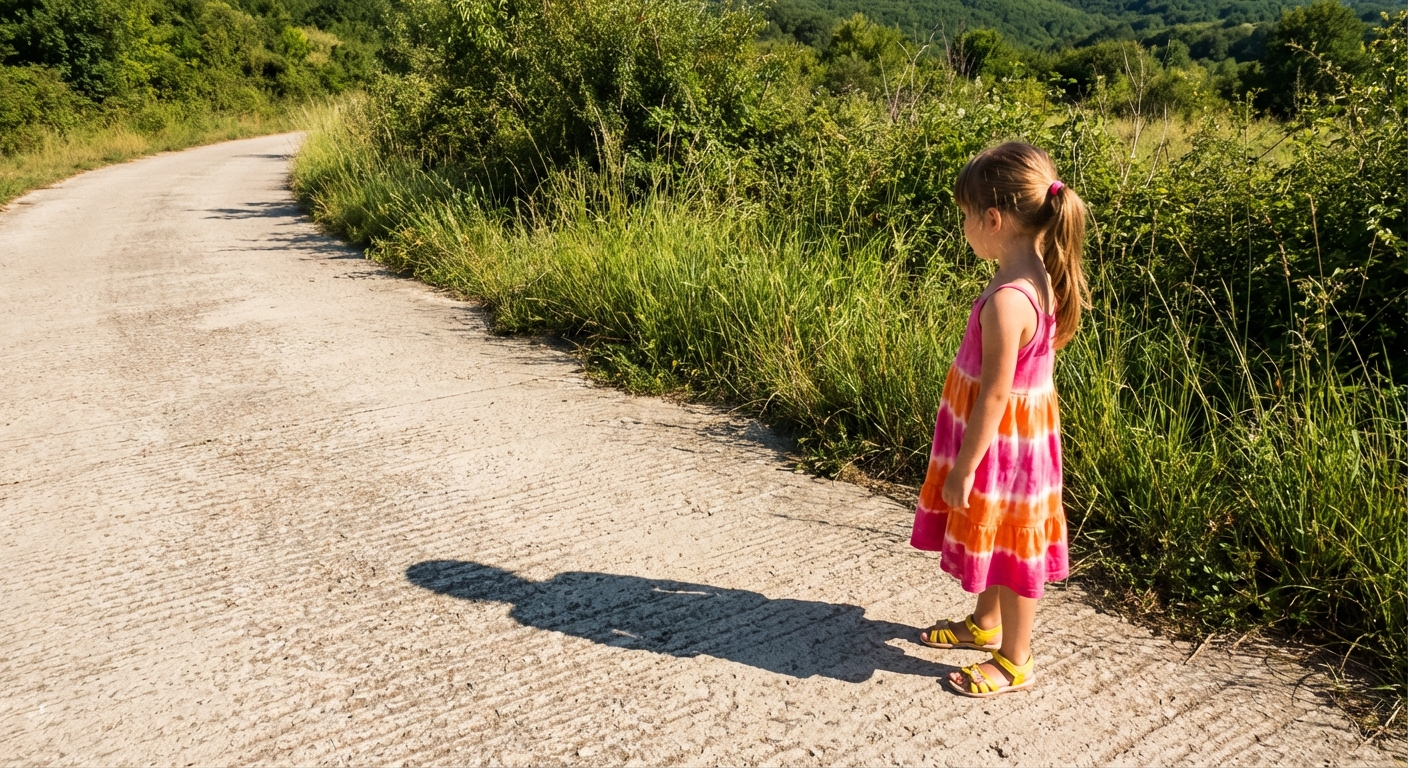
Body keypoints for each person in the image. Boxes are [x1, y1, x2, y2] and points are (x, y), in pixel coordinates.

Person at [910, 141, 1089, 698]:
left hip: (1002, 447)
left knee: (1014, 549)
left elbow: (993, 398)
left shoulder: (1009, 300)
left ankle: (1015, 657)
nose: (963, 226)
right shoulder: (1040, 272)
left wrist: (963, 467)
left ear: (993, 218)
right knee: (999, 536)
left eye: (966, 216)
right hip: (1019, 441)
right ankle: (985, 623)